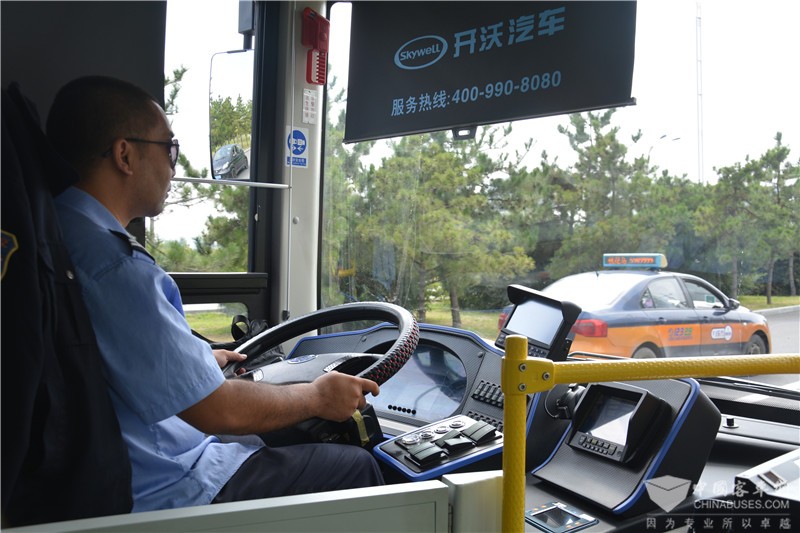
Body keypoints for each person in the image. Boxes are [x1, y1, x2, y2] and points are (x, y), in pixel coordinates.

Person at [46, 75, 384, 512]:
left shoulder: (58, 233)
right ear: (124, 154)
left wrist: (197, 360)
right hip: (168, 485)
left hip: (116, 466)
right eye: (169, 148)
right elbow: (218, 411)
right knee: (356, 467)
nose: (172, 166)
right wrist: (318, 395)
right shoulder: (115, 267)